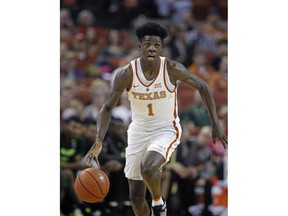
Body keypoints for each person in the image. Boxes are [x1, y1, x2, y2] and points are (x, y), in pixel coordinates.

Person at [85, 22, 227, 216]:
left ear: (161, 48)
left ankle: (159, 204)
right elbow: (107, 107)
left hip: (165, 129)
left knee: (148, 167)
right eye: (148, 44)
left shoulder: (171, 68)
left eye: (156, 45)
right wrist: (98, 140)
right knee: (135, 196)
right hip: (138, 131)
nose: (152, 48)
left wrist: (215, 123)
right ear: (139, 47)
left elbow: (203, 87)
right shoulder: (127, 73)